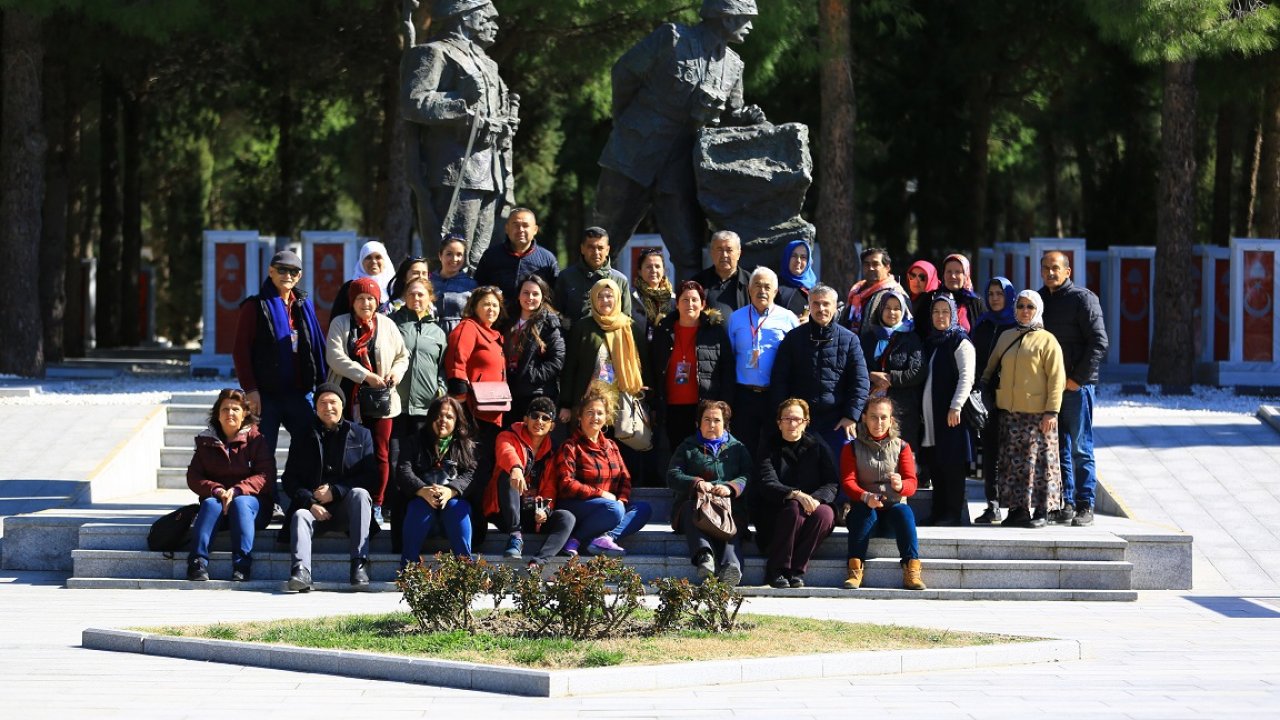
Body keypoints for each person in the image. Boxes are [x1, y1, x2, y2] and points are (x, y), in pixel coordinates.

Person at [593, 1, 767, 282]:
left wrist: (744, 118)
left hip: (679, 167)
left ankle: (692, 318)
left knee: (688, 254)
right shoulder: (672, 38)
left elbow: (730, 117)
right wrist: (626, 121)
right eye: (746, 18)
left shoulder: (734, 65)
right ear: (726, 18)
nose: (750, 27)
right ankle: (584, 313)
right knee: (602, 242)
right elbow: (624, 72)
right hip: (632, 154)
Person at [401, 0, 517, 268]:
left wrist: (503, 124)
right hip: (454, 171)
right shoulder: (434, 53)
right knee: (451, 258)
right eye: (485, 15)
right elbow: (414, 103)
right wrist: (460, 105)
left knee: (481, 259)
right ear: (465, 17)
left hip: (490, 172)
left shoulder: (488, 65)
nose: (493, 21)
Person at [325, 277, 410, 527]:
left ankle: (378, 502)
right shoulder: (340, 323)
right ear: (352, 301)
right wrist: (365, 376)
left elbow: (402, 356)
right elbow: (334, 357)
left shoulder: (387, 325)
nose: (366, 303)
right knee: (346, 450)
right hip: (347, 399)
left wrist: (395, 372)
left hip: (381, 400)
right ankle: (346, 497)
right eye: (360, 298)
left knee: (380, 452)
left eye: (371, 298)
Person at [982, 290, 1066, 529]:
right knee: (1013, 463)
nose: (1025, 311)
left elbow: (1056, 379)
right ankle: (1018, 510)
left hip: (1039, 415)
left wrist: (1052, 411)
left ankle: (1042, 510)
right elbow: (990, 370)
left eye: (1030, 306)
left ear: (1037, 309)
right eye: (1020, 306)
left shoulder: (1047, 340)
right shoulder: (1006, 336)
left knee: (1039, 464)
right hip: (1010, 413)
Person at [282, 384, 376, 592]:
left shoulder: (362, 435)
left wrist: (336, 491)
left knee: (360, 494)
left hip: (347, 509)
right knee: (299, 516)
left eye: (333, 402)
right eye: (322, 403)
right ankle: (301, 572)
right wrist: (310, 502)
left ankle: (359, 564)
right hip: (314, 510)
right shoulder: (302, 435)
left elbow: (370, 477)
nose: (328, 407)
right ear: (315, 407)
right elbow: (289, 479)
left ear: (343, 405)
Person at [1039, 250, 1108, 527]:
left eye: (1056, 268)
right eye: (1045, 268)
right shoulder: (1039, 300)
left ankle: (1085, 504)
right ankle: (1065, 503)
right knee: (1057, 447)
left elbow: (1099, 342)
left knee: (1080, 446)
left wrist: (1077, 379)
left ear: (1068, 271)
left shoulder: (1083, 299)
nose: (1050, 273)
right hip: (1049, 389)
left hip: (1077, 387)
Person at [550, 382, 654, 557]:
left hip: (608, 507)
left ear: (606, 418)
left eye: (600, 413)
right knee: (614, 510)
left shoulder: (611, 446)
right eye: (589, 413)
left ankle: (603, 539)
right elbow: (566, 484)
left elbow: (624, 478)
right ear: (580, 417)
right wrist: (600, 494)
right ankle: (574, 539)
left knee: (643, 509)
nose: (595, 417)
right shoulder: (570, 446)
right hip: (577, 505)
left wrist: (621, 499)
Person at [185, 388, 275, 582]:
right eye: (225, 409)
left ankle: (242, 565)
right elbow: (194, 476)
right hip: (218, 505)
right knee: (209, 504)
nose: (230, 413)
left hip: (252, 507)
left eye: (235, 409)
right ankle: (197, 563)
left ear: (244, 414)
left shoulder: (256, 440)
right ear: (218, 414)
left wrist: (236, 491)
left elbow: (265, 475)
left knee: (241, 503)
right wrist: (217, 490)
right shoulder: (206, 441)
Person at [769, 284, 868, 459]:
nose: (821, 309)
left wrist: (851, 417)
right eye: (816, 304)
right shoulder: (793, 338)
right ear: (809, 306)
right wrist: (786, 417)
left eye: (826, 304)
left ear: (835, 307)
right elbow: (779, 379)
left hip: (837, 421)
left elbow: (860, 382)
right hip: (800, 421)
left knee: (839, 474)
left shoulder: (850, 340)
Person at [443, 285, 508, 542]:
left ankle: (481, 523)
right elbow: (457, 360)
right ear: (475, 307)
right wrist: (459, 403)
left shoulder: (495, 335)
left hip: (493, 411)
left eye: (495, 305)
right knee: (473, 471)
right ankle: (473, 530)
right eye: (486, 304)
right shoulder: (468, 327)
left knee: (484, 470)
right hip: (473, 412)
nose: (490, 309)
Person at [388, 276, 448, 550]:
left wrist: (441, 388)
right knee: (399, 470)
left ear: (430, 298)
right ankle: (398, 539)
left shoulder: (438, 330)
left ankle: (425, 536)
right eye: (412, 294)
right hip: (397, 409)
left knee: (423, 471)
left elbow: (444, 368)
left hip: (426, 412)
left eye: (421, 295)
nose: (416, 299)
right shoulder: (394, 324)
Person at [841, 396, 926, 591]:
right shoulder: (851, 447)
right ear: (864, 418)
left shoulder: (902, 447)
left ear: (891, 420)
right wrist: (865, 496)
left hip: (891, 516)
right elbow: (848, 482)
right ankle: (855, 570)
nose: (878, 423)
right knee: (863, 511)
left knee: (904, 512)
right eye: (873, 417)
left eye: (883, 417)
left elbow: (912, 483)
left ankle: (911, 569)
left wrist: (900, 485)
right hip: (864, 515)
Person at [753, 398, 838, 589]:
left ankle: (796, 570)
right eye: (787, 419)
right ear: (779, 422)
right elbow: (767, 482)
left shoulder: (818, 446)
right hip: (775, 510)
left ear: (806, 422)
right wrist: (796, 495)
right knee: (793, 509)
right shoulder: (768, 446)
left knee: (825, 514)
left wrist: (816, 499)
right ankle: (776, 569)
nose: (792, 424)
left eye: (797, 419)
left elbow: (831, 482)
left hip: (812, 506)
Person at [667, 399, 752, 586]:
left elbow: (748, 476)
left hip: (727, 505)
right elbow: (672, 475)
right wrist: (696, 483)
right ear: (698, 423)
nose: (711, 425)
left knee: (731, 521)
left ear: (725, 424)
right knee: (690, 509)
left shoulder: (738, 449)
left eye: (717, 420)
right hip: (696, 504)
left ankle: (731, 568)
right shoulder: (687, 447)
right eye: (706, 420)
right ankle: (704, 557)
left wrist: (730, 487)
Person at [483, 397, 575, 568]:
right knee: (507, 475)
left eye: (545, 418)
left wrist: (546, 510)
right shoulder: (508, 435)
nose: (539, 421)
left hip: (533, 514)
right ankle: (515, 536)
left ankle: (538, 562)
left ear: (552, 426)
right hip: (506, 512)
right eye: (535, 416)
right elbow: (505, 451)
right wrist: (515, 467)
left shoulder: (553, 451)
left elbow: (550, 486)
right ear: (526, 419)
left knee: (567, 518)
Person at [649, 280, 735, 451]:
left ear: (702, 304)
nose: (690, 304)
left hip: (703, 407)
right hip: (671, 407)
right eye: (685, 300)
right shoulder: (663, 330)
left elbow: (727, 370)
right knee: (676, 454)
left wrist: (725, 405)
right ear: (677, 304)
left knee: (704, 454)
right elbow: (653, 367)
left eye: (695, 300)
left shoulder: (715, 331)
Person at [397, 396, 476, 565]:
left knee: (456, 506)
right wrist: (422, 490)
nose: (443, 421)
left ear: (457, 421)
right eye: (439, 415)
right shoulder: (413, 441)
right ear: (431, 416)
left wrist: (451, 491)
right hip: (421, 514)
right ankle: (408, 568)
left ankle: (465, 567)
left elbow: (472, 474)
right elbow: (403, 471)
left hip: (453, 516)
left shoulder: (465, 445)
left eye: (449, 417)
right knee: (419, 505)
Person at [557, 279, 647, 424]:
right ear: (593, 299)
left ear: (617, 297)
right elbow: (570, 367)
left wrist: (652, 403)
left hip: (623, 406)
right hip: (589, 406)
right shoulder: (583, 327)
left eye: (609, 296)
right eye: (600, 296)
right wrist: (566, 404)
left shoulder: (630, 327)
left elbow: (645, 365)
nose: (605, 300)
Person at [920, 295, 976, 526]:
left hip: (951, 415)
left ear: (953, 314)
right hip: (932, 418)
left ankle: (952, 513)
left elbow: (967, 376)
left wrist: (956, 405)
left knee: (952, 466)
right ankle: (938, 511)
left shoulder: (959, 341)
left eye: (945, 311)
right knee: (936, 464)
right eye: (936, 312)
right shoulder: (932, 341)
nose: (940, 316)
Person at [727, 267, 799, 444]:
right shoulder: (736, 318)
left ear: (775, 291)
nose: (762, 291)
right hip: (743, 395)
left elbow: (796, 359)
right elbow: (730, 355)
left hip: (775, 395)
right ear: (749, 290)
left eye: (767, 287)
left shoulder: (788, 318)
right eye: (757, 286)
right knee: (743, 446)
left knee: (772, 446)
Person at [970, 277, 1018, 524]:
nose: (995, 298)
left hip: (1012, 397)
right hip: (987, 397)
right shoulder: (983, 324)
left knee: (1012, 452)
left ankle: (1016, 507)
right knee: (990, 453)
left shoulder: (1017, 325)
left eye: (1000, 293)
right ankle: (993, 505)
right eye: (991, 293)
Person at [862, 289, 925, 455]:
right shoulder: (868, 338)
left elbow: (917, 371)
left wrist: (890, 378)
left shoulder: (911, 338)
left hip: (902, 411)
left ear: (903, 311)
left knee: (901, 456)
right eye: (887, 308)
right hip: (872, 409)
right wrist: (871, 376)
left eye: (897, 308)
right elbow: (857, 366)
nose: (892, 312)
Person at [474, 208, 560, 324]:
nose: (520, 230)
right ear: (507, 228)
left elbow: (555, 295)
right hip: (496, 322)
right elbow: (478, 288)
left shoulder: (547, 259)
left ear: (535, 230)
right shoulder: (491, 256)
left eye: (525, 225)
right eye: (516, 225)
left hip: (533, 324)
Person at [505, 274, 565, 423]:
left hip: (536, 393)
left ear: (543, 297)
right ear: (519, 295)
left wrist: (531, 375)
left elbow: (557, 359)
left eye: (535, 293)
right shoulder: (506, 319)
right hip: (508, 391)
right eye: (526, 292)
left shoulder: (549, 322)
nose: (530, 297)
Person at [555, 226, 631, 328]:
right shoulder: (566, 277)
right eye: (591, 247)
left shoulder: (620, 280)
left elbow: (626, 319)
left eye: (600, 248)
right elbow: (556, 314)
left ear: (607, 250)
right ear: (582, 249)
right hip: (575, 341)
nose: (596, 252)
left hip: (610, 340)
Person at [916, 253, 984, 336]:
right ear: (943, 275)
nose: (953, 276)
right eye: (949, 272)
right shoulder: (930, 299)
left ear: (966, 275)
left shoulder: (975, 302)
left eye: (958, 272)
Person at [690, 230, 753, 316]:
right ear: (711, 252)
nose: (724, 255)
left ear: (739, 253)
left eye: (729, 250)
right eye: (719, 250)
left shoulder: (751, 283)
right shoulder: (698, 283)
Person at [330, 240, 396, 321]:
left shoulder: (396, 286)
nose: (374, 261)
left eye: (378, 257)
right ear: (361, 261)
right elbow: (337, 319)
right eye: (368, 257)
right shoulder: (349, 288)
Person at [843, 247, 903, 335]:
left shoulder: (895, 292)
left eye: (875, 264)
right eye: (867, 264)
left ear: (887, 267)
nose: (870, 268)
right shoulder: (857, 290)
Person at [430, 234, 477, 336]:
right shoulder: (428, 281)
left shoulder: (471, 285)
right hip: (430, 336)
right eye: (449, 254)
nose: (454, 259)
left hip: (459, 337)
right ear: (440, 255)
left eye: (459, 254)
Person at [630, 247, 674, 341]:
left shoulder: (673, 299)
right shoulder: (631, 297)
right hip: (638, 351)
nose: (653, 270)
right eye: (649, 266)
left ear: (664, 270)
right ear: (640, 271)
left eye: (657, 266)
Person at [776, 239, 815, 318]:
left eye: (803, 257)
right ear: (786, 258)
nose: (798, 261)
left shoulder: (815, 289)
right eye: (794, 256)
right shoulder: (775, 286)